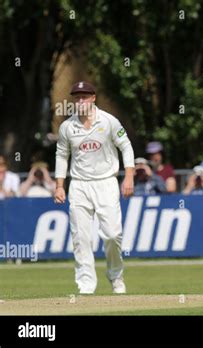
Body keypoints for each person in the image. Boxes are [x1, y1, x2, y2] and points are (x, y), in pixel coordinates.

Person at [54, 81, 135, 295]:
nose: (80, 101)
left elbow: (125, 146)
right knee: (81, 237)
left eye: (84, 97)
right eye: (77, 97)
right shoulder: (67, 127)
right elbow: (62, 155)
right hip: (79, 185)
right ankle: (86, 285)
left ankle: (116, 276)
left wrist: (128, 176)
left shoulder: (108, 121)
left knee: (112, 234)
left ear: (93, 98)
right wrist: (59, 185)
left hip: (106, 182)